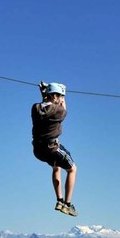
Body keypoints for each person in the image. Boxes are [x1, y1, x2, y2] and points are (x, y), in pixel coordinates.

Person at [31, 82, 78, 216]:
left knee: (56, 167)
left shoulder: (35, 108)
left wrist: (44, 93)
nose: (62, 99)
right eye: (61, 96)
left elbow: (45, 106)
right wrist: (63, 97)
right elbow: (63, 109)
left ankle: (59, 200)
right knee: (73, 169)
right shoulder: (58, 111)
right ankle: (67, 204)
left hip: (38, 150)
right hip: (52, 147)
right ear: (57, 96)